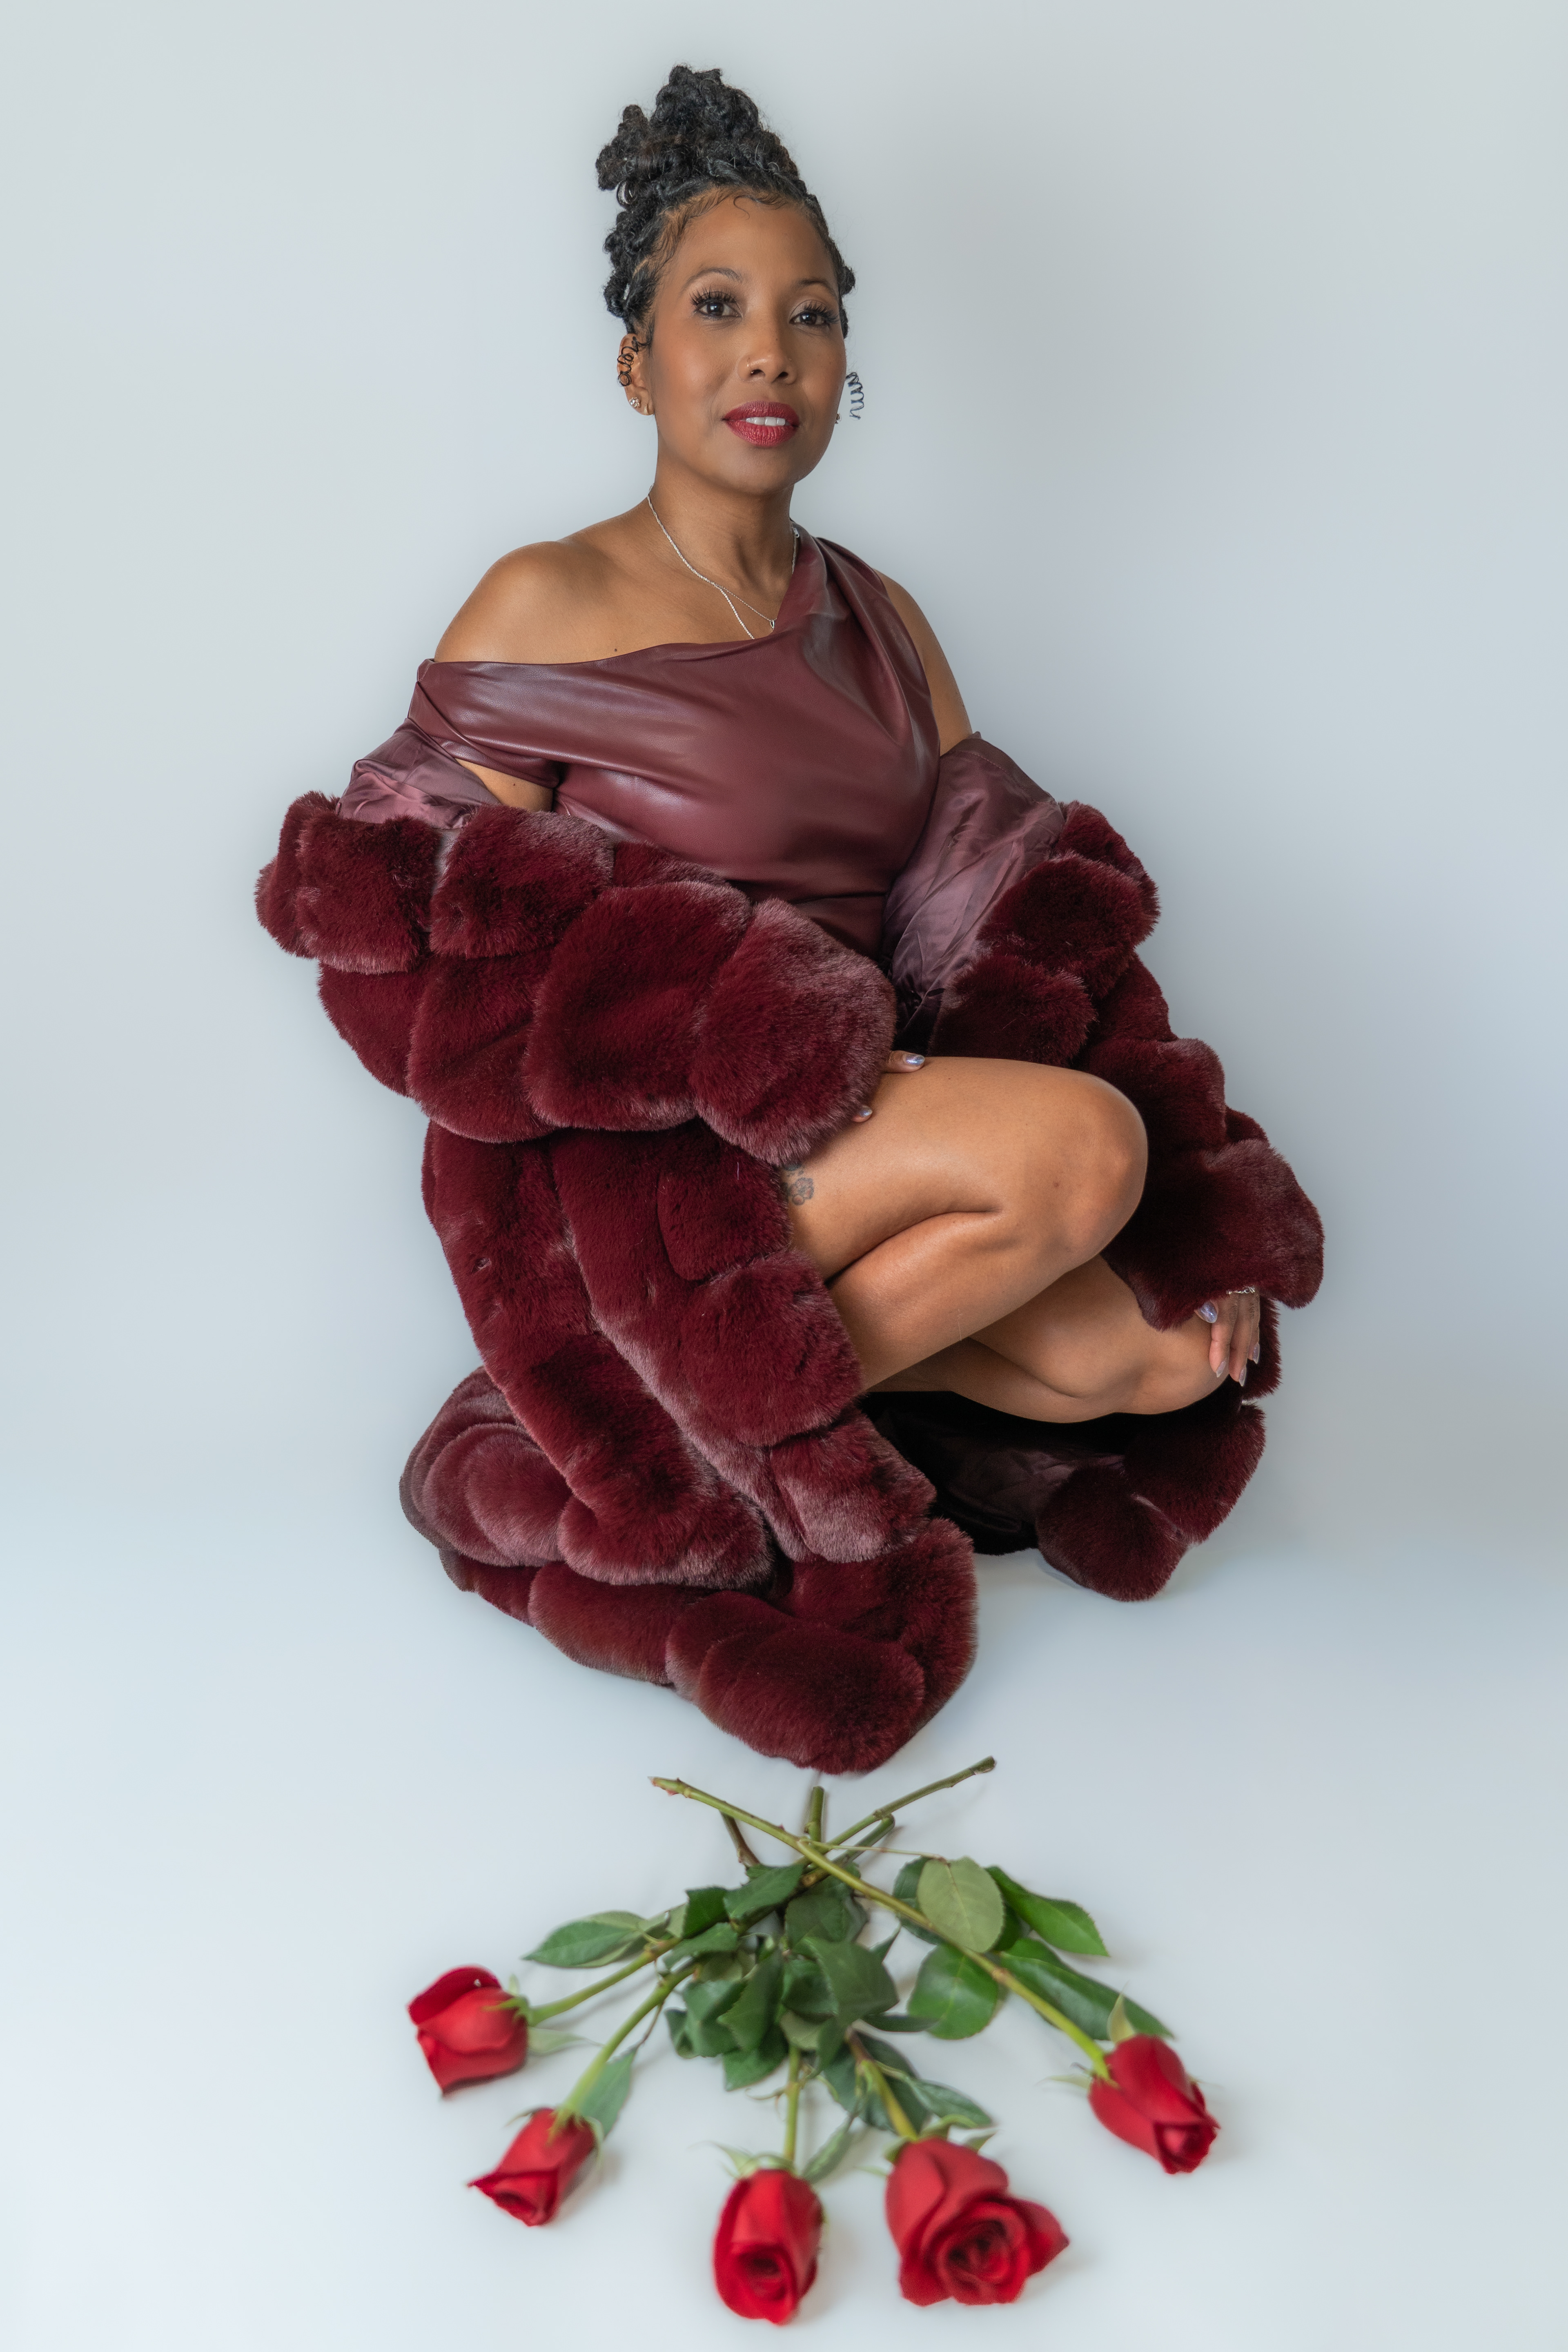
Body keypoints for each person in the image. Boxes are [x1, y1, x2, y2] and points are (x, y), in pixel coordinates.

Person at [345, 63, 1259, 1430]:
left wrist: (1202, 1187)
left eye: (811, 315)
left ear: (844, 368)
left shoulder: (885, 621)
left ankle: (677, 1403)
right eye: (718, 307)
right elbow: (398, 923)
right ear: (637, 361)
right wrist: (756, 1039)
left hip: (851, 1141)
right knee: (1080, 1157)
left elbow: (1022, 917)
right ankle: (650, 1399)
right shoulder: (546, 600)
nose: (771, 351)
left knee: (1162, 1354)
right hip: (646, 1161)